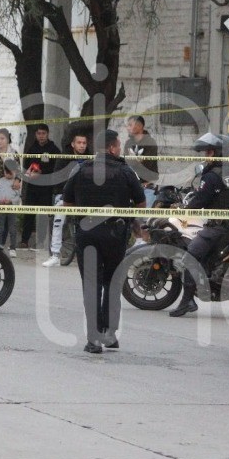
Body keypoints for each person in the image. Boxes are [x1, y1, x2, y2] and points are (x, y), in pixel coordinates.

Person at [62, 128, 146, 353]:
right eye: (118, 146)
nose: (120, 149)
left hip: (86, 232)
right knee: (112, 282)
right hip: (114, 234)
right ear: (111, 147)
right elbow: (141, 203)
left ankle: (93, 339)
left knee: (91, 285)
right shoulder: (126, 171)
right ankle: (109, 333)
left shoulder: (80, 169)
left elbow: (66, 202)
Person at [168, 132, 229, 318]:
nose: (206, 157)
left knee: (190, 256)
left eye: (208, 153)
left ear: (215, 153)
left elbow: (201, 200)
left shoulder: (212, 176)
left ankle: (187, 301)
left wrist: (185, 209)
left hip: (216, 227)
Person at [42, 131, 89, 267]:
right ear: (73, 144)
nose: (82, 146)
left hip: (84, 198)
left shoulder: (90, 158)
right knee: (58, 220)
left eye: (84, 143)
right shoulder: (64, 158)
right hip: (65, 196)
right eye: (79, 143)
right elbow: (57, 179)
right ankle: (55, 255)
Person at [20, 124, 62, 249]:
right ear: (36, 135)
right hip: (33, 187)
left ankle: (41, 241)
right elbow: (27, 165)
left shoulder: (53, 149)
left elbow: (57, 167)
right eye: (39, 133)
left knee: (43, 214)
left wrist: (42, 172)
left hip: (47, 188)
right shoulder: (32, 148)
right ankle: (24, 240)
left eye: (43, 133)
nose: (41, 136)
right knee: (29, 213)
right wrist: (29, 174)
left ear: (47, 134)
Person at [124, 115, 159, 207]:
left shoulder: (150, 142)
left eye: (130, 125)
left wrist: (134, 160)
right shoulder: (128, 143)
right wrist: (137, 160)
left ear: (139, 126)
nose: (127, 128)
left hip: (147, 186)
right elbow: (126, 163)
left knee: (144, 218)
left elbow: (147, 163)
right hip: (130, 187)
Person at [0, 160, 22, 257]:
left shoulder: (16, 183)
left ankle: (13, 248)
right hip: (0, 208)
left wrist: (11, 201)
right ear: (4, 171)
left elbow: (18, 197)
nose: (8, 175)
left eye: (11, 173)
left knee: (12, 229)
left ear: (15, 172)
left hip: (12, 208)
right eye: (6, 172)